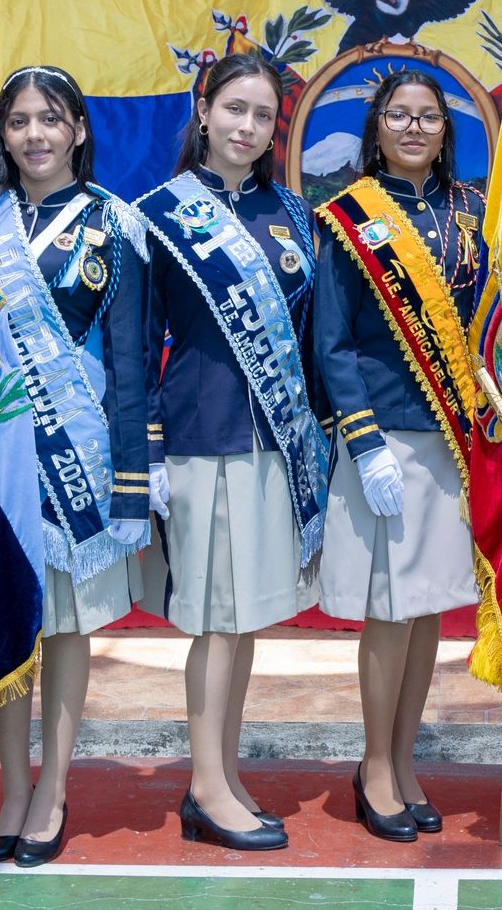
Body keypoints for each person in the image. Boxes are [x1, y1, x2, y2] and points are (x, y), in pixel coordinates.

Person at [135, 52, 327, 852]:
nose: (247, 126)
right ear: (204, 111)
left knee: (245, 623)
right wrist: (145, 451)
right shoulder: (157, 215)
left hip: (273, 446)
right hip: (201, 439)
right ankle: (206, 789)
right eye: (234, 109)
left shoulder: (293, 214)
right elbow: (138, 343)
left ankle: (224, 771)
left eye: (262, 115)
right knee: (215, 622)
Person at [0, 64, 152, 867]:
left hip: (78, 455)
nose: (35, 135)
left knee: (67, 628)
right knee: (9, 625)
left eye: (50, 118)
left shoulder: (115, 223)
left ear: (78, 128)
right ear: (3, 134)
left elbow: (132, 356)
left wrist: (131, 481)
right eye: (19, 121)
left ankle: (53, 788)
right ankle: (13, 787)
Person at [313, 70, 488, 843]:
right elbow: (332, 341)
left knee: (426, 613)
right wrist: (363, 440)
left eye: (428, 117)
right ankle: (375, 765)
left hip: (452, 441)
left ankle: (405, 759)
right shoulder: (348, 216)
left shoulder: (469, 214)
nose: (414, 128)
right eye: (399, 116)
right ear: (376, 127)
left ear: (446, 131)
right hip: (382, 442)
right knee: (389, 612)